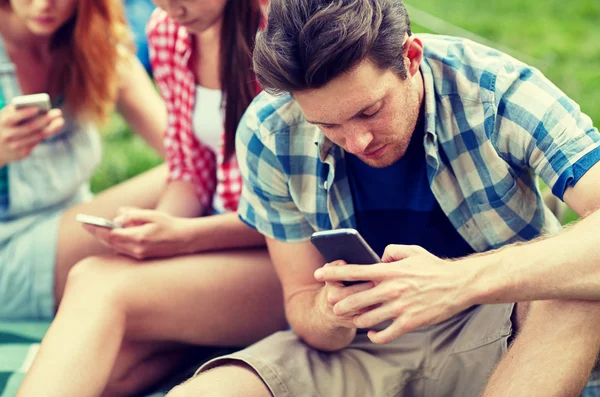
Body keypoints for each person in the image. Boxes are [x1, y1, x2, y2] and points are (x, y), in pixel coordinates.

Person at [166, 0, 600, 396]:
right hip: (363, 347)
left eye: (368, 111)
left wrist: (456, 282)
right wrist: (332, 311)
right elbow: (302, 308)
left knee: (574, 291)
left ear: (411, 58)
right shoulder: (268, 132)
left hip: (504, 325)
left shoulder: (495, 90)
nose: (357, 141)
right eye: (327, 125)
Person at [15, 1, 285, 396]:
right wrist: (154, 235)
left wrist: (184, 236)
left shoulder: (284, 29)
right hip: (221, 246)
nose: (170, 6)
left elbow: (299, 215)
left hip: (290, 261)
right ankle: (216, 345)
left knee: (96, 282)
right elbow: (190, 171)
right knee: (99, 368)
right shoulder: (169, 30)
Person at [0, 0, 166, 321]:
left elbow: (176, 143)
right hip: (9, 250)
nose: (44, 5)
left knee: (188, 181)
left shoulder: (92, 38)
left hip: (74, 219)